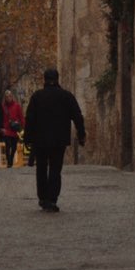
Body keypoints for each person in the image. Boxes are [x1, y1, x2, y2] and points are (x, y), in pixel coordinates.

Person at [24, 67, 86, 212]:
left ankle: (43, 198)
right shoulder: (66, 96)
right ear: (57, 79)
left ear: (45, 79)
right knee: (55, 168)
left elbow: (30, 119)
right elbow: (77, 116)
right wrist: (81, 134)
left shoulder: (37, 96)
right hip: (59, 140)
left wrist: (28, 138)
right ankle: (52, 199)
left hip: (40, 140)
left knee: (41, 168)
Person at [1, 88, 25, 168]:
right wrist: (1, 127)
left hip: (14, 129)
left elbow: (21, 117)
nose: (8, 98)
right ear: (5, 98)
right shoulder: (3, 107)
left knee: (14, 147)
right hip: (6, 129)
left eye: (10, 96)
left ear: (12, 97)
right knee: (8, 146)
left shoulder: (17, 106)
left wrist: (23, 125)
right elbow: (0, 118)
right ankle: (9, 161)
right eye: (7, 97)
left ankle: (11, 158)